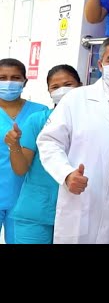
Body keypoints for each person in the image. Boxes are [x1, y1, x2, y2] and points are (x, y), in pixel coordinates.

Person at [38, 37, 109, 243]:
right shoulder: (75, 99)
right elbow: (49, 142)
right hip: (83, 202)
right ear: (100, 65)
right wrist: (66, 174)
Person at [5, 65, 82, 243]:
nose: (62, 90)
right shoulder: (37, 121)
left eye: (68, 84)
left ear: (81, 86)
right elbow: (21, 169)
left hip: (78, 212)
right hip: (36, 213)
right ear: (49, 92)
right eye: (55, 87)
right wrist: (14, 145)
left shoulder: (94, 121)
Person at [0, 58, 48, 244]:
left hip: (26, 196)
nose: (8, 82)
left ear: (25, 81)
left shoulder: (40, 112)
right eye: (2, 78)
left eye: (15, 78)